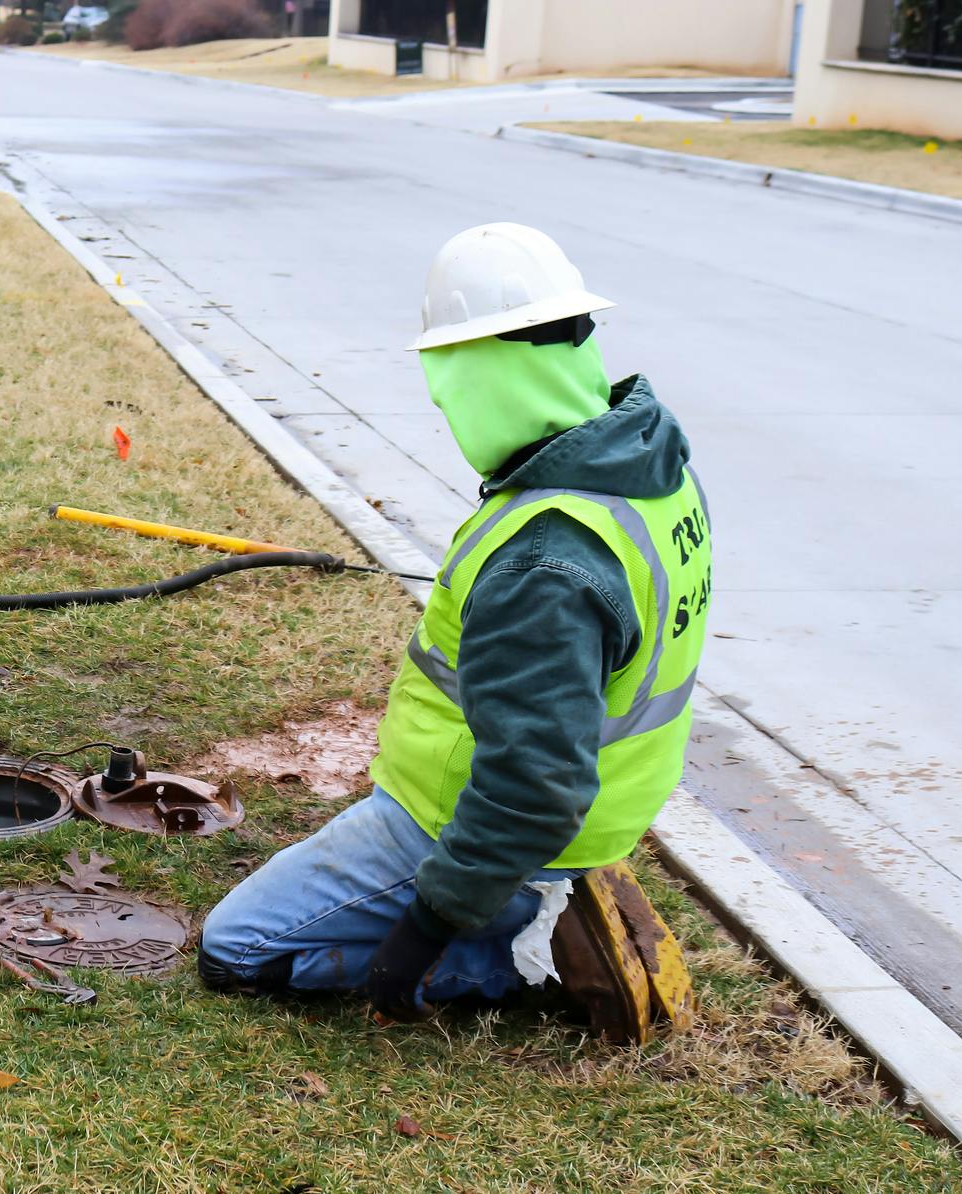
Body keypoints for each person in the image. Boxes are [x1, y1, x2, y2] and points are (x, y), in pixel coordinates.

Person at [198, 223, 711, 1042]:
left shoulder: (546, 561)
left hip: (476, 825)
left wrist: (423, 932)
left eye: (450, 388)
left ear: (487, 374)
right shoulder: (644, 463)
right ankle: (534, 901)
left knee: (238, 946)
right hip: (596, 815)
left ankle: (526, 949)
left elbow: (531, 785)